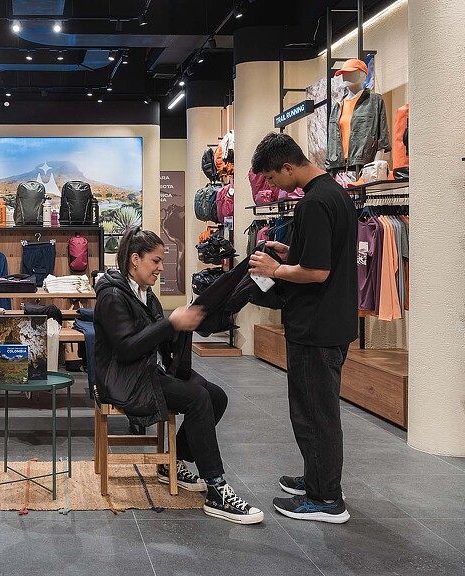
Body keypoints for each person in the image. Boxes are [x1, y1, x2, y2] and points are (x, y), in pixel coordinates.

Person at [94, 227, 263, 525]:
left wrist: (186, 323)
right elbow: (126, 349)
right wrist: (171, 323)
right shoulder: (112, 296)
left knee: (216, 397)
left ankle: (172, 462)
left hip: (144, 371)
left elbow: (156, 338)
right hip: (122, 378)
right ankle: (216, 489)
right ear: (135, 259)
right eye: (156, 261)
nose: (161, 268)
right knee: (198, 398)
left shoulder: (145, 294)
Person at [249, 132, 357, 524]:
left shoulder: (313, 203)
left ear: (287, 167)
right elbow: (322, 257)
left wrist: (274, 269)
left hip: (316, 327)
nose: (274, 186)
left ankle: (325, 498)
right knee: (317, 410)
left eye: (272, 178)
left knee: (314, 414)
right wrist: (289, 253)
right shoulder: (336, 194)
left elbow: (317, 272)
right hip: (332, 322)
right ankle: (317, 479)